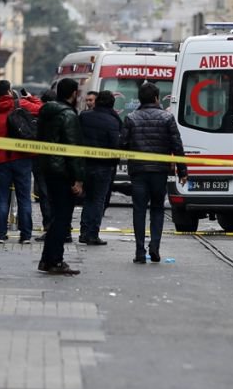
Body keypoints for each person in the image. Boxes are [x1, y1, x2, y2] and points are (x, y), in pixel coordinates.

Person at [121, 82, 186, 262]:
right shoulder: (167, 118)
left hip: (139, 171)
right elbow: (177, 145)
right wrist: (183, 171)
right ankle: (155, 246)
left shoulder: (131, 118)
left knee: (139, 210)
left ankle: (139, 251)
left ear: (139, 99)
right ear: (157, 98)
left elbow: (122, 144)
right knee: (157, 209)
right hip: (159, 171)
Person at [0, 81, 42, 244]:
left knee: (1, 197)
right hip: (22, 157)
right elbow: (42, 108)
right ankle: (26, 235)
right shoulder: (21, 103)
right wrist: (31, 98)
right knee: (24, 197)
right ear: (8, 91)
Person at [36, 78, 85, 275]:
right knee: (62, 219)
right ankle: (54, 260)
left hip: (48, 168)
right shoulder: (68, 115)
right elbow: (73, 149)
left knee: (58, 216)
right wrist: (78, 179)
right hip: (63, 171)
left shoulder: (46, 112)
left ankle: (47, 259)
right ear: (73, 93)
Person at [78, 90, 122, 245]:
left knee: (88, 198)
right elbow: (115, 145)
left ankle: (83, 232)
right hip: (104, 166)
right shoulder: (113, 121)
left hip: (85, 163)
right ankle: (92, 234)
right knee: (98, 200)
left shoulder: (84, 116)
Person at [33, 88, 57, 241]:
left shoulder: (39, 117)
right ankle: (59, 227)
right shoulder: (64, 115)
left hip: (41, 160)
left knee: (45, 195)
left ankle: (49, 227)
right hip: (57, 161)